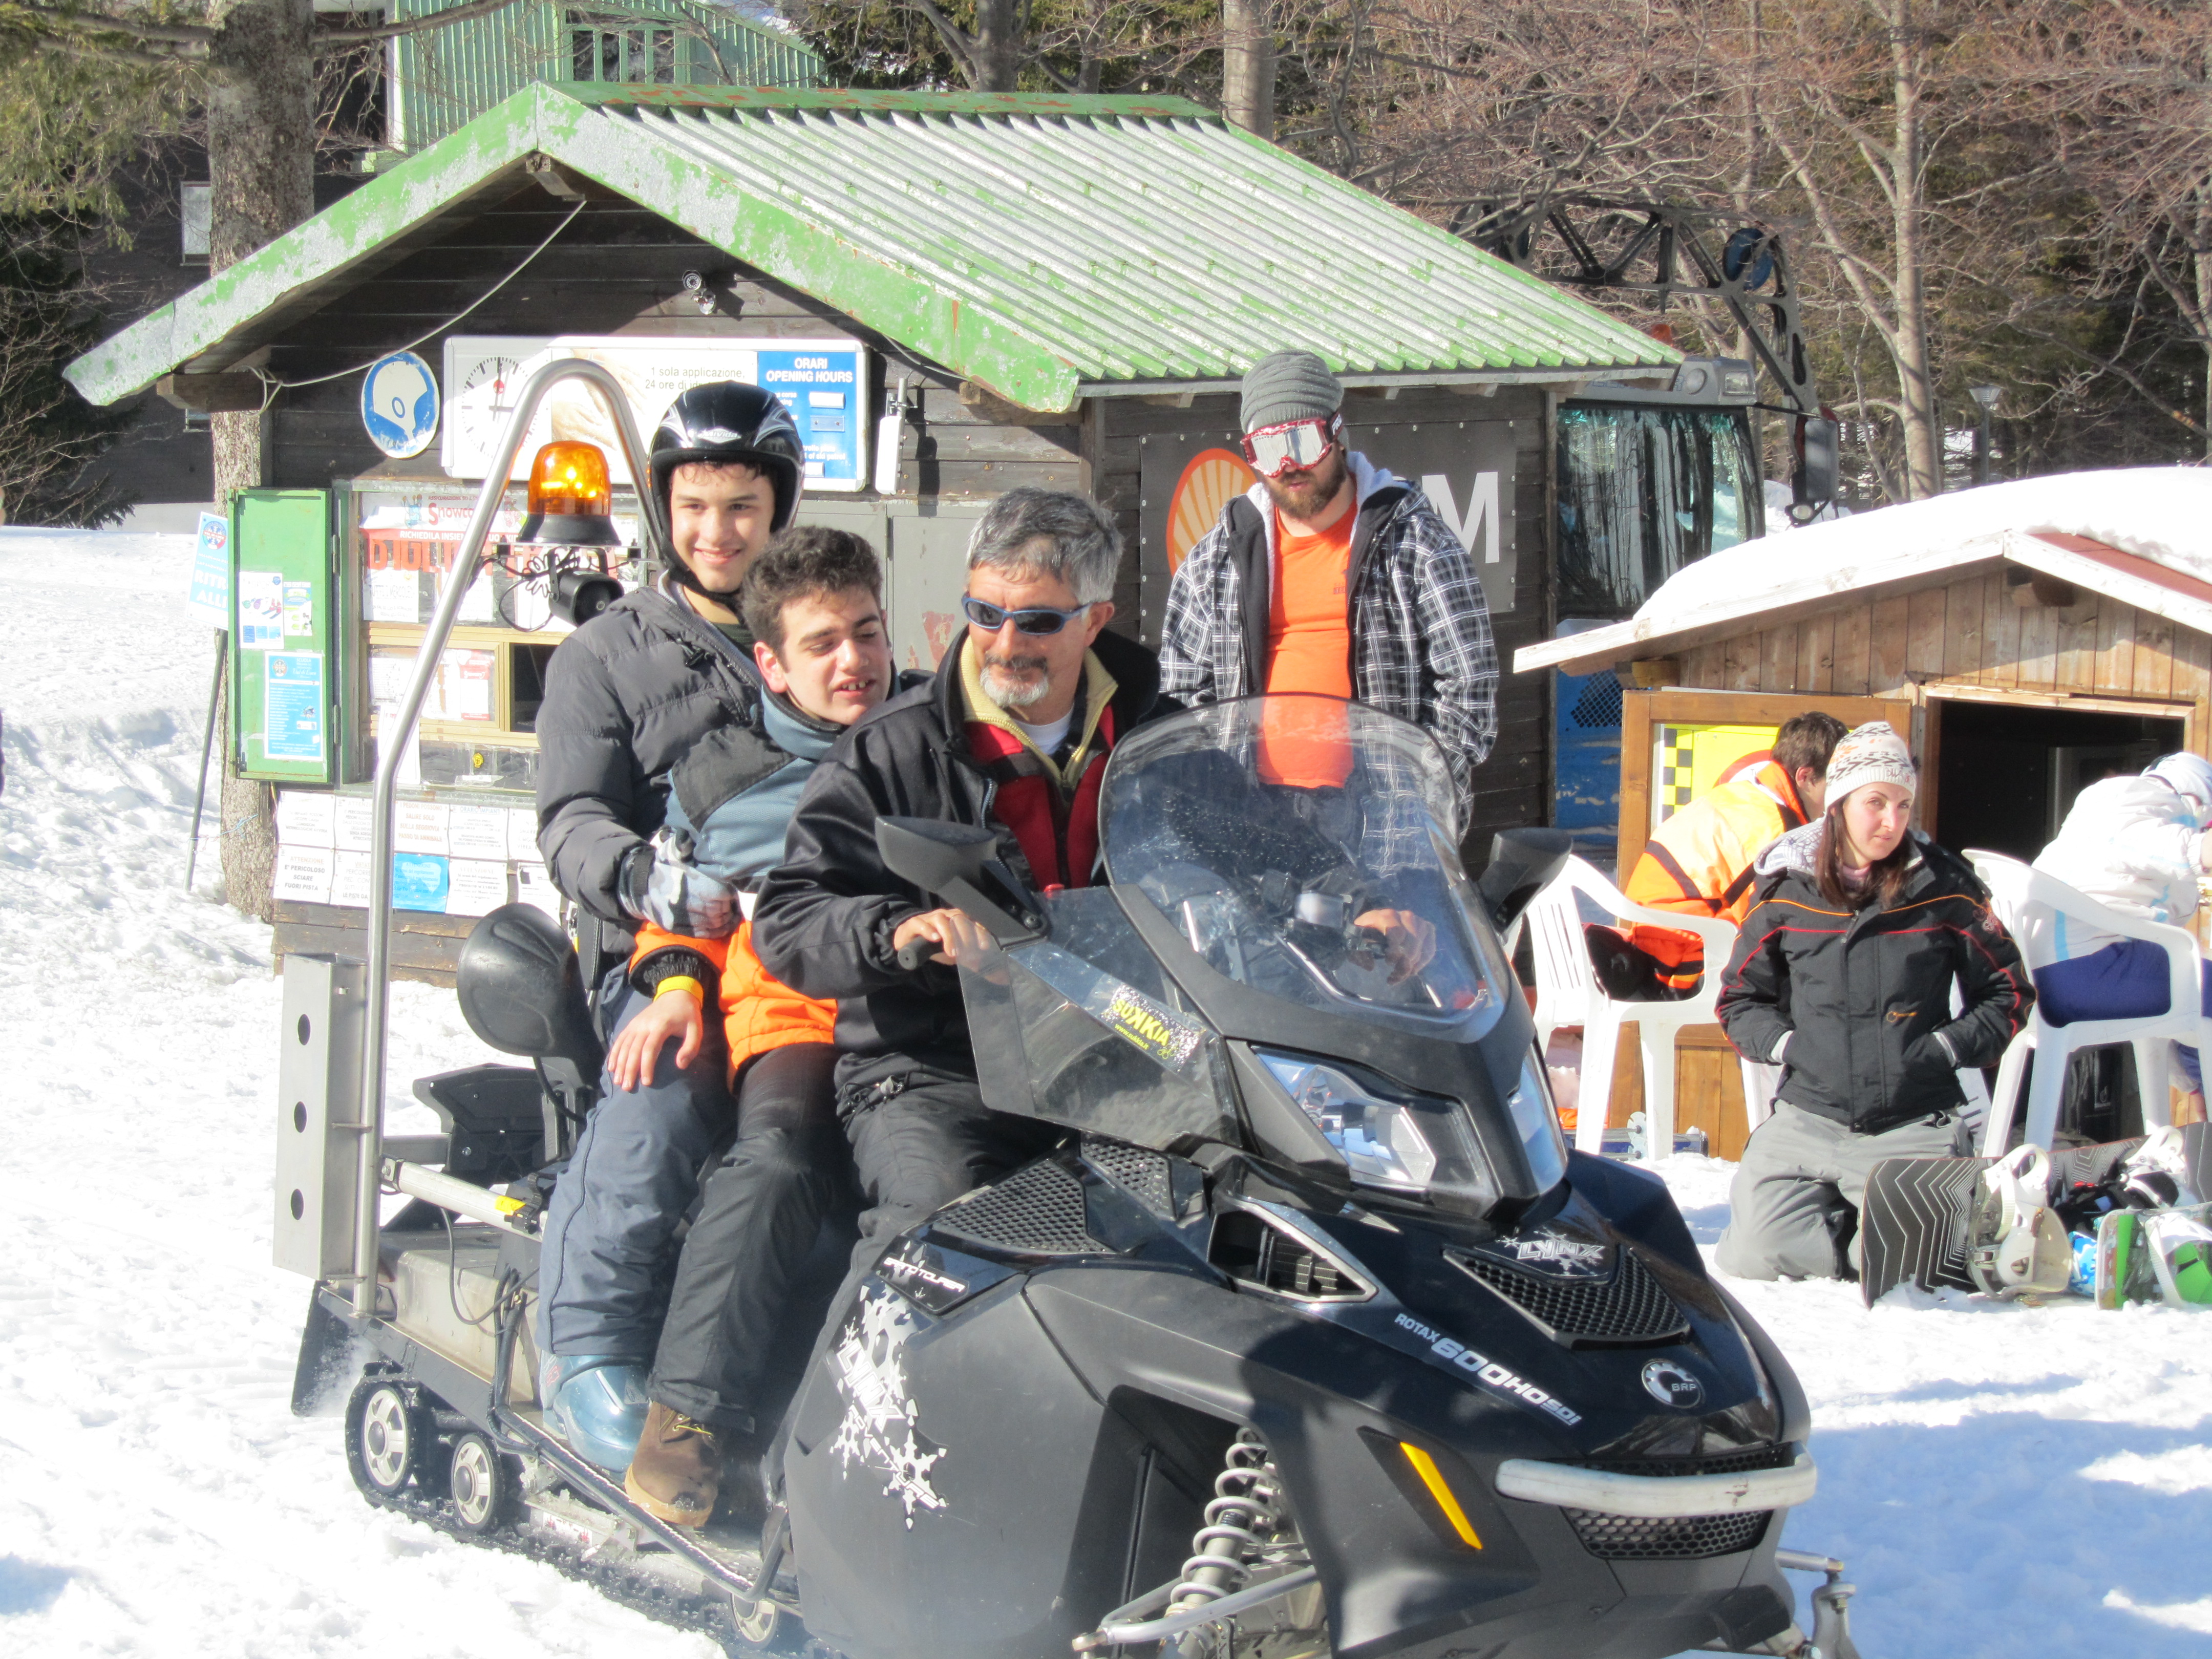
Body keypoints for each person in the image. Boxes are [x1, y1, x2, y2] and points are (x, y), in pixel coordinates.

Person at [751, 487, 1175, 1419]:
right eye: (985, 613)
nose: (1005, 642)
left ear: (1096, 619)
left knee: (1223, 1230)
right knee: (935, 1228)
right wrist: (894, 932)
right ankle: (824, 1452)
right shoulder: (892, 751)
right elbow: (787, 917)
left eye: (1038, 621)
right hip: (936, 1067)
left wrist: (1355, 911)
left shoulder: (1159, 736)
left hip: (1121, 1056)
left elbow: (1256, 856)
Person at [583, 527, 907, 1527]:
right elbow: (679, 906)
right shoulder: (723, 777)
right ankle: (686, 1424)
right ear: (771, 663)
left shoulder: (934, 739)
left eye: (866, 633)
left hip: (929, 1012)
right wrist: (678, 984)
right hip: (796, 1014)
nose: (852, 662)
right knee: (778, 1162)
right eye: (822, 644)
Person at [531, 382, 812, 1470]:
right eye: (693, 507)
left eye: (742, 506)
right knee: (666, 1087)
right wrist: (648, 880)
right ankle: (588, 1340)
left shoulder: (819, 628)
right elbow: (571, 821)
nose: (717, 532)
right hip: (661, 948)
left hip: (801, 949)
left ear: (779, 508)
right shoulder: (606, 656)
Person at [1713, 722, 2035, 1280]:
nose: (1892, 821)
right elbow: (1741, 998)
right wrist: (1791, 1047)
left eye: (1904, 805)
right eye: (1876, 803)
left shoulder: (1944, 888)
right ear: (1838, 803)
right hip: (1809, 1114)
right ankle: (1853, 1226)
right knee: (1752, 1257)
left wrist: (1945, 1048)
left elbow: (2008, 992)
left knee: (1911, 1270)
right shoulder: (1786, 889)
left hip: (1912, 1116)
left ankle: (1916, 1225)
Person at [1157, 350, 1499, 819]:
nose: (1288, 465)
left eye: (1302, 442)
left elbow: (1469, 689)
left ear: (1336, 434)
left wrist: (1417, 789)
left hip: (1384, 818)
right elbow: (1181, 687)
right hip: (1254, 816)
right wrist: (1216, 787)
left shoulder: (1415, 542)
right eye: (1269, 451)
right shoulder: (1221, 556)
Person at [2031, 753, 2212, 1122]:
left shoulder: (2096, 812)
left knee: (2196, 991)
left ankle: (2199, 1114)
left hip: (2053, 975)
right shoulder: (2137, 801)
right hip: (2090, 969)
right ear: (2196, 801)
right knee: (2201, 987)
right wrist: (2200, 849)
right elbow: (2158, 845)